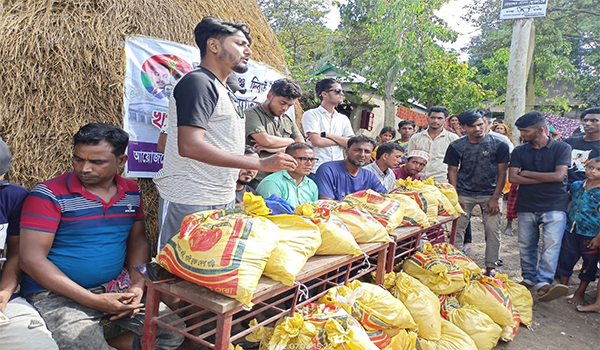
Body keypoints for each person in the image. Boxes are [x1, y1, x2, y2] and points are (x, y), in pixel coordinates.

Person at [19, 124, 184, 350]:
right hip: (56, 294)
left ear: (122, 161)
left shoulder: (132, 192)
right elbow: (30, 259)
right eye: (78, 159)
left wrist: (137, 286)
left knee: (174, 333)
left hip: (115, 286)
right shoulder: (49, 194)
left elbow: (137, 240)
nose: (84, 168)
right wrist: (93, 301)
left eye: (97, 162)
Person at [153, 17, 297, 251]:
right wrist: (260, 163)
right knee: (175, 275)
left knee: (205, 275)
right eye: (240, 44)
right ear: (214, 45)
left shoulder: (223, 89)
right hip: (190, 198)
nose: (248, 51)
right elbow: (189, 146)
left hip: (221, 196)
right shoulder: (198, 82)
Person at [0, 138, 58, 350]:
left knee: (40, 346)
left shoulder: (11, 196)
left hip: (6, 303)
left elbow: (16, 252)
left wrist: (5, 292)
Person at [509, 111, 572, 301]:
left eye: (525, 131)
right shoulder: (519, 151)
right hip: (527, 204)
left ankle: (544, 282)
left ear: (539, 130)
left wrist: (527, 173)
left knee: (551, 245)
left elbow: (559, 176)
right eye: (521, 131)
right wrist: (547, 178)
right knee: (526, 244)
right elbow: (513, 178)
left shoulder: (562, 147)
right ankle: (528, 278)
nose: (522, 134)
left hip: (555, 204)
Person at [444, 109, 510, 274]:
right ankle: (457, 265)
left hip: (490, 193)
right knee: (457, 230)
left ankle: (490, 267)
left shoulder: (499, 144)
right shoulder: (456, 146)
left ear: (486, 123)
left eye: (480, 124)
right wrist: (455, 195)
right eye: (472, 126)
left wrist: (496, 197)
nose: (477, 128)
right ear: (464, 127)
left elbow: (503, 172)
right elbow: (452, 170)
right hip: (464, 193)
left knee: (492, 231)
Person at [156, 73, 246, 154]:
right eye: (225, 89)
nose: (229, 94)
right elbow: (162, 146)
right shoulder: (185, 106)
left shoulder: (229, 114)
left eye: (231, 91)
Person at [558, 157, 600, 306]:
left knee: (589, 264)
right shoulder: (576, 185)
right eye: (590, 167)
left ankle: (580, 292)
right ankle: (563, 286)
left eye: (598, 169)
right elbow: (569, 200)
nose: (592, 171)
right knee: (566, 257)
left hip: (591, 234)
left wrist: (598, 238)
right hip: (571, 230)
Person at [245, 78, 304, 182]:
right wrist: (291, 141)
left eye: (289, 105)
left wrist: (272, 149)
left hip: (282, 178)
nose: (285, 108)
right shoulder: (251, 114)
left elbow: (301, 147)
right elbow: (265, 140)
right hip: (257, 177)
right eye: (282, 103)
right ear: (269, 96)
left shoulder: (287, 119)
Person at [302, 78, 354, 175]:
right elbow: (317, 141)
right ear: (324, 94)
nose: (342, 94)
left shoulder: (343, 119)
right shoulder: (311, 114)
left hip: (338, 170)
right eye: (337, 91)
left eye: (343, 91)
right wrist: (341, 141)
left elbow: (352, 143)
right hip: (317, 169)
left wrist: (328, 135)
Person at [315, 135, 387, 200]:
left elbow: (385, 198)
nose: (362, 155)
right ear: (347, 151)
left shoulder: (369, 176)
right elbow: (326, 203)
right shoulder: (328, 170)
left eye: (367, 152)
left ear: (371, 155)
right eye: (357, 150)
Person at [407, 106, 459, 182]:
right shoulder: (416, 138)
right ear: (428, 119)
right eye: (432, 117)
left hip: (441, 181)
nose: (435, 120)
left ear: (445, 120)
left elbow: (456, 165)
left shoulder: (453, 138)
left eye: (439, 118)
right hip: (418, 181)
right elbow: (410, 159)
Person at [564, 107, 600, 187]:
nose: (587, 123)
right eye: (585, 120)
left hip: (590, 191)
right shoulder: (569, 142)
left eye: (594, 121)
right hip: (562, 188)